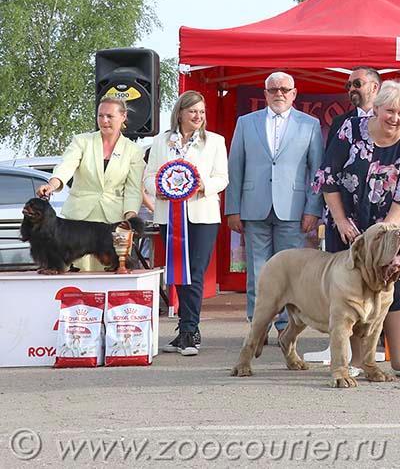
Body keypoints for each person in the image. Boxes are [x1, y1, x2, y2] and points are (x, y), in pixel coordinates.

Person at [317, 79, 400, 378]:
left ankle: (399, 360)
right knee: (347, 288)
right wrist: (340, 221)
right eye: (390, 111)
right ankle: (351, 360)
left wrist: (381, 238)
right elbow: (328, 177)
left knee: (393, 288)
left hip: (390, 227)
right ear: (376, 108)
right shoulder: (349, 130)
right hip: (346, 224)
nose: (395, 118)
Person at [225, 71, 324, 336]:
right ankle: (258, 326)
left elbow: (317, 172)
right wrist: (232, 208)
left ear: (294, 93)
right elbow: (235, 167)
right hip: (253, 206)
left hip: (293, 209)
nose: (279, 93)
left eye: (284, 89)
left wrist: (313, 209)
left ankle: (286, 327)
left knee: (291, 273)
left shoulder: (310, 124)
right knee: (258, 271)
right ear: (265, 94)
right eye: (273, 89)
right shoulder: (246, 123)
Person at [144, 91, 228, 356]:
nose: (198, 117)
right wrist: (157, 187)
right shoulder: (161, 142)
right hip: (170, 213)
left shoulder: (215, 141)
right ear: (180, 113)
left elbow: (222, 177)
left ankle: (191, 329)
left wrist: (205, 186)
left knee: (195, 270)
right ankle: (185, 328)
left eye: (202, 112)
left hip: (202, 214)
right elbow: (149, 174)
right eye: (193, 111)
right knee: (177, 270)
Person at [37, 97, 147, 272]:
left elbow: (133, 189)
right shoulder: (82, 141)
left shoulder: (134, 151)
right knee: (77, 278)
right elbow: (66, 166)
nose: (104, 121)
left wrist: (129, 220)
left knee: (113, 274)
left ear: (123, 117)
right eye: (100, 115)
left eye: (110, 116)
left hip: (112, 220)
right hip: (78, 221)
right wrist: (52, 184)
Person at [323, 66, 382, 252]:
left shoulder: (391, 120)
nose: (351, 89)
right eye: (348, 85)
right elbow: (328, 170)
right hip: (344, 213)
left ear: (375, 87)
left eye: (357, 84)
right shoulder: (340, 122)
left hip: (378, 210)